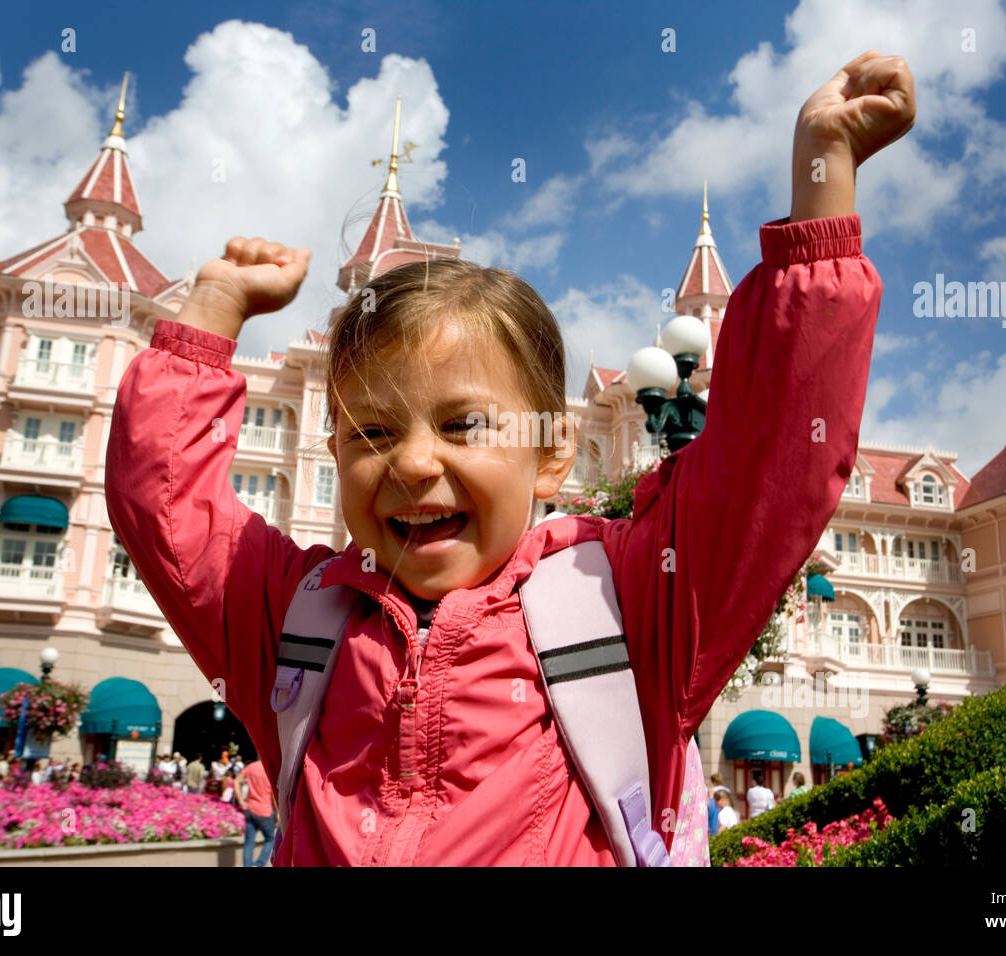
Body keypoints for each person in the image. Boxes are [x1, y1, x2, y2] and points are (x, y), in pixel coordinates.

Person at [103, 50, 912, 866]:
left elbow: (770, 462)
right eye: (373, 433)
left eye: (463, 426)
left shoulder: (625, 604)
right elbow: (163, 508)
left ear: (552, 455)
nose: (414, 464)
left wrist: (822, 190)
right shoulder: (294, 620)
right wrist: (206, 319)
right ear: (335, 450)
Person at [235, 758, 276, 867]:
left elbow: (236, 781)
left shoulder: (251, 766)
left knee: (249, 841)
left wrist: (240, 800)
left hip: (250, 808)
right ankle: (259, 864)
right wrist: (279, 812)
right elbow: (273, 794)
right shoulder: (270, 768)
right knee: (270, 839)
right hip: (265, 810)